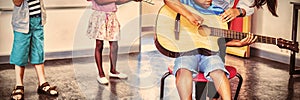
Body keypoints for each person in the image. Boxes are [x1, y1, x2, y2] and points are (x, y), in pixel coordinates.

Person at [163, 0, 257, 99]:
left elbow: (216, 40)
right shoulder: (186, 4)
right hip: (187, 51)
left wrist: (237, 43)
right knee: (183, 69)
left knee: (217, 69)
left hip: (210, 53)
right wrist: (189, 15)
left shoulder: (219, 12)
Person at [10, 0, 58, 100]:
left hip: (38, 20)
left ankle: (42, 83)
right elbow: (17, 2)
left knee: (38, 52)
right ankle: (19, 85)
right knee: (20, 53)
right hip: (22, 22)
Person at [86, 0, 142, 85]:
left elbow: (117, 2)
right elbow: (100, 1)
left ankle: (113, 71)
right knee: (99, 45)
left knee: (114, 45)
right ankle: (101, 74)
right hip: (99, 16)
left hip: (111, 16)